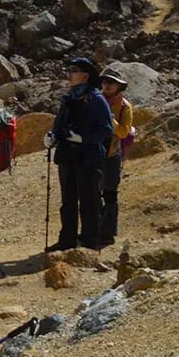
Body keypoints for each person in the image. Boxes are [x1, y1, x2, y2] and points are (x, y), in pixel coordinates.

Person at [47, 57, 114, 251]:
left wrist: (84, 139)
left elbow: (106, 130)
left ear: (85, 75)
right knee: (68, 201)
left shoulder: (96, 99)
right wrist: (52, 136)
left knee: (89, 200)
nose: (69, 74)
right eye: (69, 70)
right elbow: (59, 124)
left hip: (89, 157)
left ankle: (89, 241)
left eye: (74, 70)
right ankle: (66, 240)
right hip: (68, 155)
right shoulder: (68, 98)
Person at [97, 66, 135, 246]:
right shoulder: (95, 100)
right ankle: (93, 229)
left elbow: (123, 132)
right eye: (104, 81)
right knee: (92, 193)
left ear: (120, 86)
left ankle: (108, 233)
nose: (106, 84)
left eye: (111, 82)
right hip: (94, 152)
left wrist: (111, 121)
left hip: (112, 155)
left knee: (110, 194)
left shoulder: (125, 107)